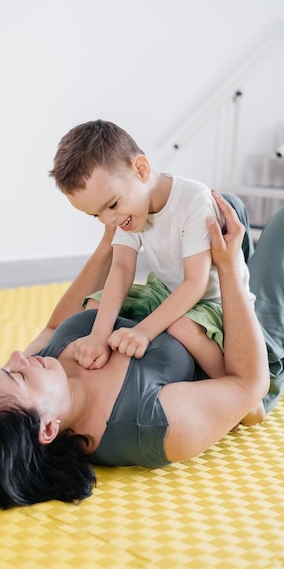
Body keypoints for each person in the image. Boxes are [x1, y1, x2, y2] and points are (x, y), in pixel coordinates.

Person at [0, 193, 283, 510]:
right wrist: (230, 270)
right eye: (18, 375)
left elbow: (52, 326)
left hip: (180, 299)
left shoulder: (44, 377)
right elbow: (246, 382)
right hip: (242, 345)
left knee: (222, 204)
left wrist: (115, 234)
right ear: (46, 429)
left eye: (5, 365)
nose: (18, 356)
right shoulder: (155, 424)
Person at [49, 119, 265, 425]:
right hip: (166, 288)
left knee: (180, 327)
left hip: (212, 300)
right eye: (95, 214)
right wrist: (98, 335)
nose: (107, 220)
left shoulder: (192, 201)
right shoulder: (128, 212)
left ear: (141, 170)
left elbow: (195, 283)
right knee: (97, 304)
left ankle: (243, 395)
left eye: (111, 205)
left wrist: (143, 331)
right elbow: (121, 269)